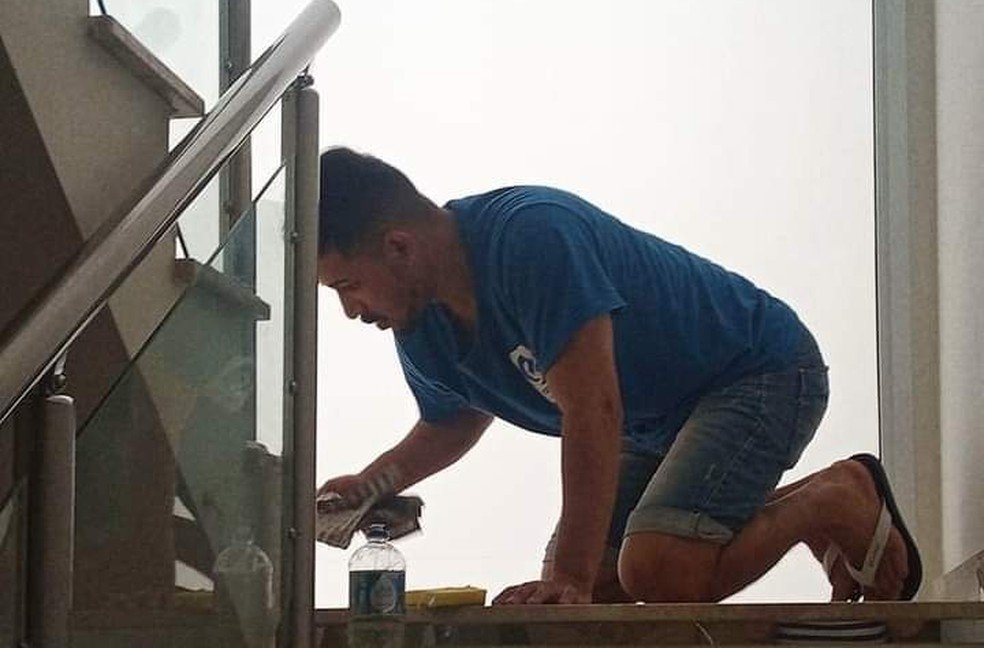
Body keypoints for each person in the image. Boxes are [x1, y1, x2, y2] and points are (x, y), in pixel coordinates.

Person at [316, 147, 921, 604]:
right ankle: (798, 503)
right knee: (600, 588)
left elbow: (593, 409)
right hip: (653, 423)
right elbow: (451, 422)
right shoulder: (418, 322)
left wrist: (570, 578)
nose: (349, 310)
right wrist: (371, 483)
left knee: (657, 572)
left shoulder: (531, 237)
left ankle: (833, 498)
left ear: (399, 247)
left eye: (348, 285)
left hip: (760, 370)